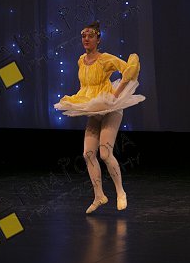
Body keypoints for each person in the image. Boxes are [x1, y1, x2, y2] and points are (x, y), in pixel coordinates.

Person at [54, 20, 145, 214]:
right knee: (88, 154)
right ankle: (99, 196)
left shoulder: (105, 59)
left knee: (104, 153)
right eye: (83, 36)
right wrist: (82, 101)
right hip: (95, 109)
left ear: (98, 39)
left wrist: (115, 94)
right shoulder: (81, 60)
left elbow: (129, 69)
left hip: (110, 107)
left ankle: (120, 192)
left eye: (90, 36)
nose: (86, 39)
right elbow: (85, 86)